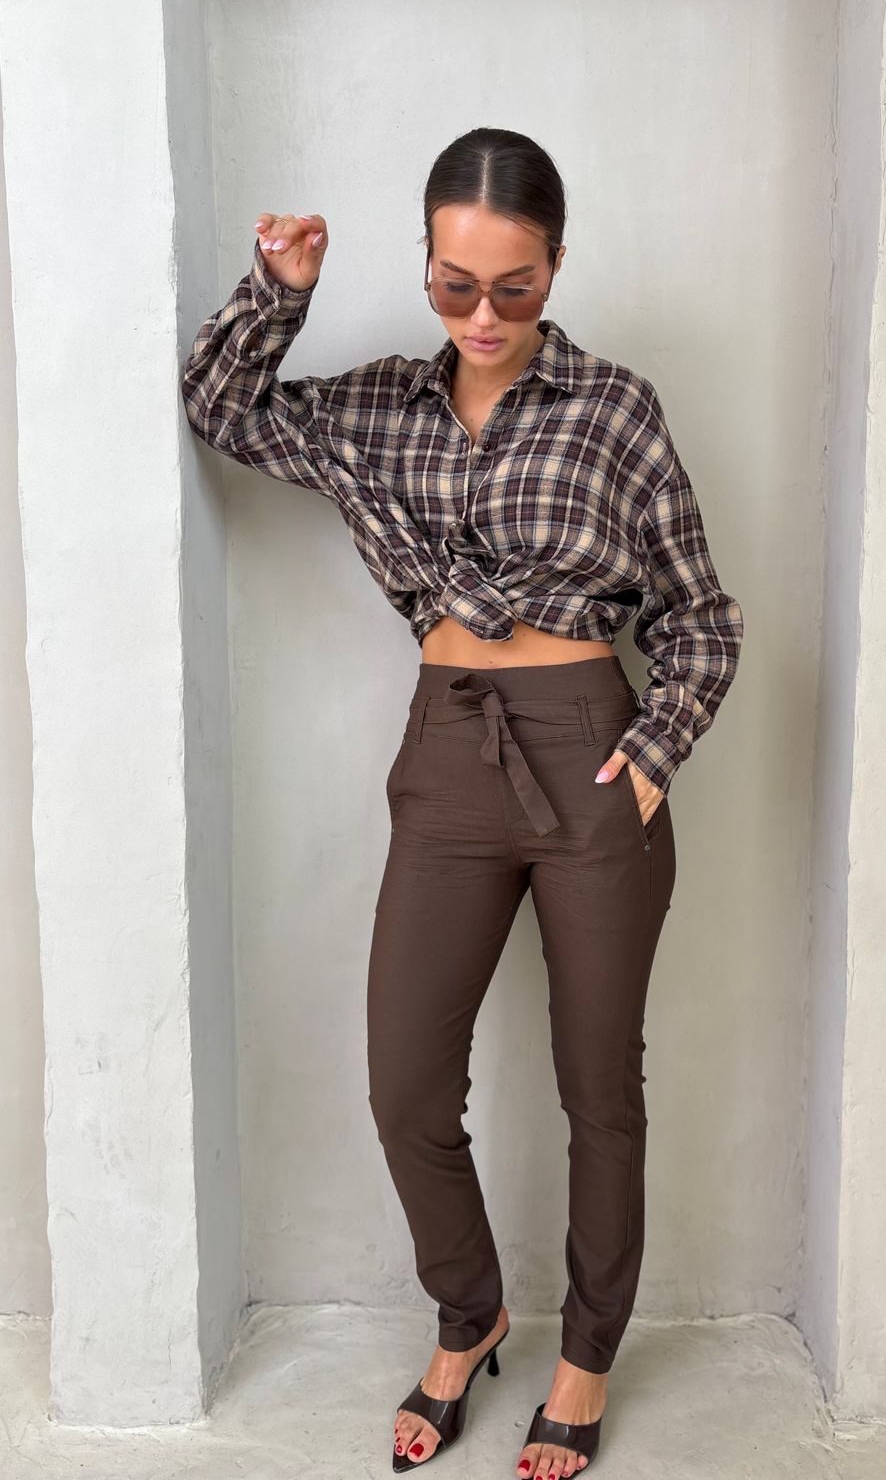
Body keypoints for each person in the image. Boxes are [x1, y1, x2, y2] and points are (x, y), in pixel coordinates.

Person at [182, 126, 744, 1479]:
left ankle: (585, 1357)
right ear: (425, 265)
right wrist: (280, 292)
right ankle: (469, 1309)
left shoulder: (615, 408)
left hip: (594, 753)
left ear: (556, 265)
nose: (483, 316)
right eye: (454, 285)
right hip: (446, 753)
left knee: (598, 1089)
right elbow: (222, 410)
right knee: (405, 1082)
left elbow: (701, 614)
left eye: (514, 287)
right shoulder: (378, 407)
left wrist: (652, 753)